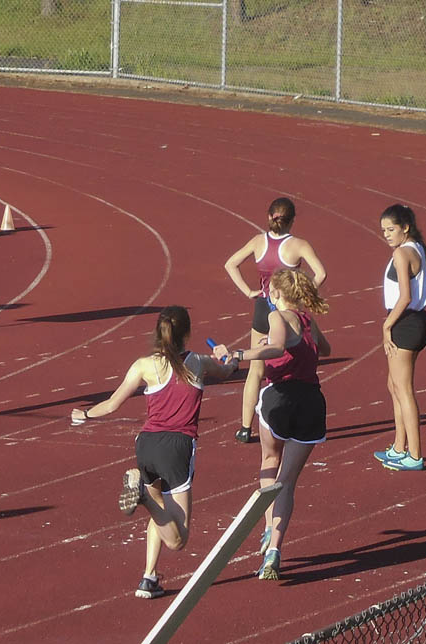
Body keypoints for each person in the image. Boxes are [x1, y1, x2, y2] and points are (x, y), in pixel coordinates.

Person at [70, 306, 238, 599]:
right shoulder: (198, 362)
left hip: (146, 445)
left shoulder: (143, 366)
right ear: (187, 334)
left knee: (162, 510)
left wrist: (84, 414)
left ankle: (149, 577)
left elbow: (111, 404)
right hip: (177, 448)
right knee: (179, 538)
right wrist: (231, 358)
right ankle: (145, 499)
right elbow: (225, 370)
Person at [225, 268, 330, 580]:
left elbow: (276, 347)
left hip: (281, 398)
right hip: (311, 402)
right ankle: (275, 549)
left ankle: (270, 528)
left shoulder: (276, 318)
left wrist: (241, 353)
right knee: (288, 481)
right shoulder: (309, 319)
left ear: (277, 295)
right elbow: (325, 350)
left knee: (270, 463)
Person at [224, 197, 327, 444]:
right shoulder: (299, 245)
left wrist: (249, 291)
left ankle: (245, 427)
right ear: (292, 221)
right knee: (292, 363)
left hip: (263, 307)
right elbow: (321, 273)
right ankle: (282, 419)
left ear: (269, 216)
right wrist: (304, 293)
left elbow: (230, 264)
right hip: (287, 310)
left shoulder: (258, 241)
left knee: (255, 368)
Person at [372, 204, 426, 472]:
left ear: (405, 227)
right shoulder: (417, 247)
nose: (386, 235)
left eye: (391, 229)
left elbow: (406, 297)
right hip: (414, 322)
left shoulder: (402, 253)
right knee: (394, 386)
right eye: (383, 230)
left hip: (405, 324)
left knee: (404, 390)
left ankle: (415, 454)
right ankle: (399, 447)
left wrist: (387, 325)